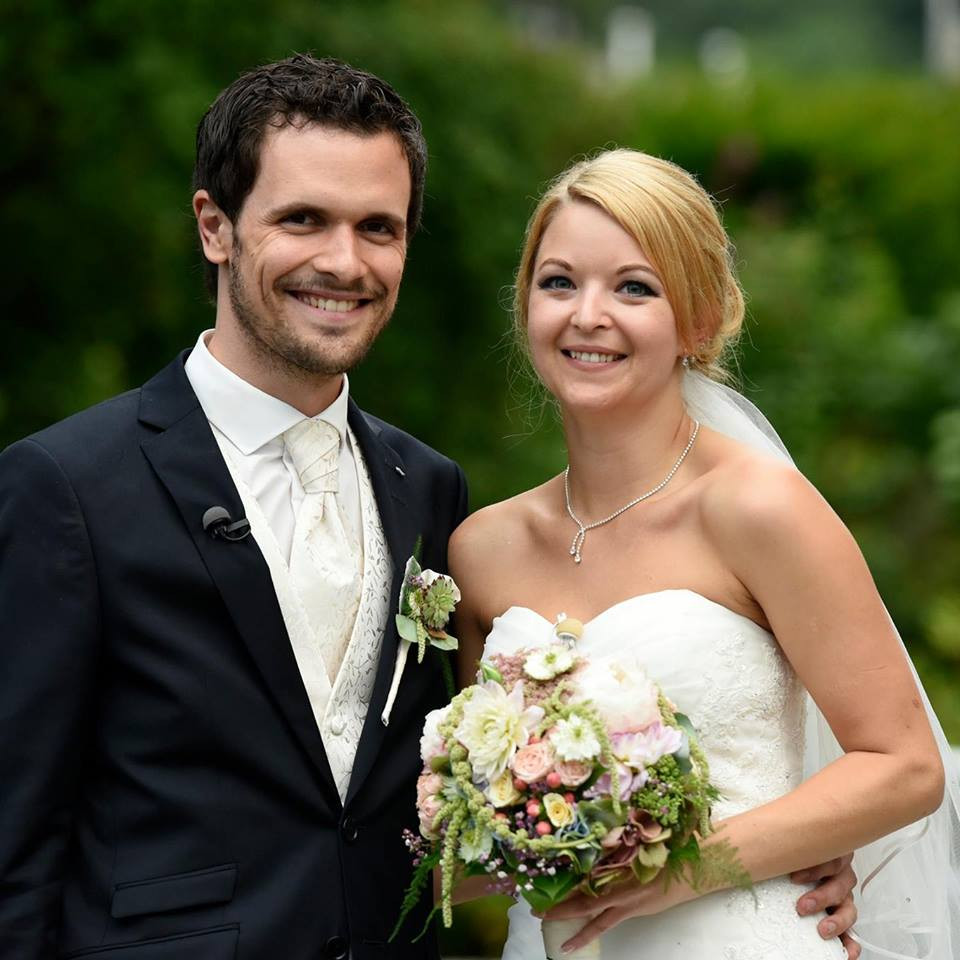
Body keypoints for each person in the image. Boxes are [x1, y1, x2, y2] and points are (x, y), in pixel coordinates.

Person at [0, 56, 467, 959]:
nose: (345, 261)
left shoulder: (430, 487)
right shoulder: (63, 487)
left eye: (380, 227)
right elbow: (14, 838)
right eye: (303, 220)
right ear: (216, 226)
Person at [449, 149, 959, 959]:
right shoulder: (483, 549)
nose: (588, 314)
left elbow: (904, 767)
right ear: (526, 309)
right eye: (558, 282)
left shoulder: (758, 508)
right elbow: (468, 840)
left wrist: (689, 869)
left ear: (699, 319)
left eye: (633, 287)